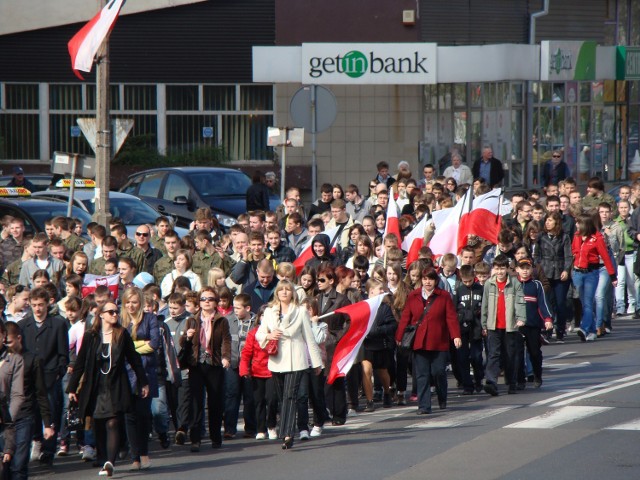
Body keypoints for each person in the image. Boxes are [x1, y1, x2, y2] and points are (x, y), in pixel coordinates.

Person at [67, 301, 149, 477]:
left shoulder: (122, 334)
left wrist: (143, 382)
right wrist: (72, 388)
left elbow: (134, 359)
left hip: (116, 385)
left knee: (113, 422)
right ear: (101, 314)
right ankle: (104, 457)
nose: (114, 314)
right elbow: (80, 363)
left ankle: (110, 462)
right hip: (96, 386)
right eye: (110, 312)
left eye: (116, 312)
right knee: (98, 425)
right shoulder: (91, 336)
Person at [256, 281, 323, 449]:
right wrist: (270, 335)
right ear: (277, 293)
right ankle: (286, 429)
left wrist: (316, 363)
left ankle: (287, 433)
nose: (284, 292)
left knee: (290, 396)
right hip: (277, 361)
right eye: (281, 290)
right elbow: (259, 334)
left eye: (287, 290)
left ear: (292, 293)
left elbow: (309, 338)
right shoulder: (270, 312)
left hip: (296, 359)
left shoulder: (300, 312)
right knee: (282, 397)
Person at [396, 268, 461, 414]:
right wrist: (399, 336)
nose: (427, 282)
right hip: (419, 342)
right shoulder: (413, 296)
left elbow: (451, 318)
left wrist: (455, 336)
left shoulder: (444, 296)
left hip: (439, 341)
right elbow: (405, 317)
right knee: (422, 374)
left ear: (436, 281)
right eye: (424, 279)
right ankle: (424, 405)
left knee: (438, 372)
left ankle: (442, 397)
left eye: (430, 279)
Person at [18, 287, 68, 466]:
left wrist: (58, 372)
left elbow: (63, 353)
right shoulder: (24, 325)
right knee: (32, 412)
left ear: (48, 303)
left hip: (49, 375)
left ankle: (49, 449)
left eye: (41, 305)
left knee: (51, 412)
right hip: (29, 377)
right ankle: (37, 440)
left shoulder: (58, 323)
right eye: (34, 305)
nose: (38, 309)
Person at [179, 287, 231, 452]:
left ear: (216, 303)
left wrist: (226, 357)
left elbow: (226, 341)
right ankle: (196, 439)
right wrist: (187, 336)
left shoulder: (222, 321)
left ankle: (216, 437)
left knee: (215, 401)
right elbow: (182, 343)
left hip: (214, 364)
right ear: (199, 303)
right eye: (203, 299)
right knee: (196, 402)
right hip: (196, 364)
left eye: (210, 299)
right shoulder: (192, 320)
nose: (206, 301)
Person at [119, 287, 159, 471]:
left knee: (143, 415)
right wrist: (138, 346)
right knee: (129, 417)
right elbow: (119, 347)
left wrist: (131, 349)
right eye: (128, 302)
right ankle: (134, 456)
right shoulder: (122, 322)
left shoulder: (150, 319)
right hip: (126, 373)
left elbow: (154, 344)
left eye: (134, 302)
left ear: (141, 302)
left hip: (146, 372)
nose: (131, 306)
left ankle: (144, 453)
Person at [481, 255, 526, 396]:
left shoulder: (515, 283)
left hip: (509, 326)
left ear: (507, 268)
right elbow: (485, 305)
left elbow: (520, 302)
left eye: (502, 268)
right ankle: (491, 382)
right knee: (493, 354)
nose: (499, 272)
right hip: (493, 325)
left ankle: (512, 382)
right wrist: (484, 323)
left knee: (509, 356)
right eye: (497, 268)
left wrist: (521, 318)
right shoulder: (489, 283)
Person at [572, 213, 617, 341]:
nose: (576, 225)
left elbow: (606, 257)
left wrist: (612, 276)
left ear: (585, 224)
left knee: (588, 302)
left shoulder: (597, 237)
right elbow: (574, 250)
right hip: (577, 273)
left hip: (591, 273)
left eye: (578, 222)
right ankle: (592, 330)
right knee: (583, 303)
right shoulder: (577, 235)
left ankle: (584, 328)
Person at [534, 211, 573, 341]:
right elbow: (536, 255)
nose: (547, 223)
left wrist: (567, 270)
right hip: (545, 272)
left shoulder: (564, 237)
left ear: (557, 222)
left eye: (550, 220)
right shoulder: (541, 236)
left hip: (560, 272)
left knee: (561, 303)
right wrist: (538, 269)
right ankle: (548, 329)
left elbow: (568, 256)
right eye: (546, 220)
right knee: (547, 302)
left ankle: (560, 328)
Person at [361, 280, 397, 411]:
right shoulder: (362, 306)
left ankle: (387, 391)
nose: (383, 291)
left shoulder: (385, 307)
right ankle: (370, 401)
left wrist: (379, 330)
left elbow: (393, 325)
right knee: (366, 371)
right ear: (371, 291)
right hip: (366, 344)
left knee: (382, 372)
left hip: (380, 344)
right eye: (380, 289)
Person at [453, 265, 484, 395]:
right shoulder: (459, 290)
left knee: (476, 356)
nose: (467, 283)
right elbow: (453, 310)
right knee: (463, 357)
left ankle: (478, 380)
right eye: (464, 281)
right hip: (462, 327)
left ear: (474, 277)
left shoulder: (481, 289)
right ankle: (467, 385)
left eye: (469, 281)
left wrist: (484, 326)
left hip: (477, 326)